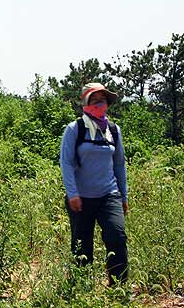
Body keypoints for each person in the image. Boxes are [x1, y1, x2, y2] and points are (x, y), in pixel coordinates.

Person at [60, 83, 128, 286]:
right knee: (82, 247)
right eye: (95, 100)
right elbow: (66, 162)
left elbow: (119, 164)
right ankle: (81, 289)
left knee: (117, 237)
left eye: (103, 100)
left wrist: (124, 196)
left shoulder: (113, 131)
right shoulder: (75, 129)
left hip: (109, 195)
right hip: (81, 198)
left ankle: (119, 289)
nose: (100, 104)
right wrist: (72, 193)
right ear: (86, 103)